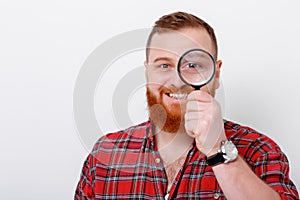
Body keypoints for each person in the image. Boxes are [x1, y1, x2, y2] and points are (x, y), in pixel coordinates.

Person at [74, 11, 298, 199]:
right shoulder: (104, 155)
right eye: (164, 66)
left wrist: (218, 151)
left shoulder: (259, 151)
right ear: (147, 71)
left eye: (193, 64)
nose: (178, 81)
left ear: (216, 74)